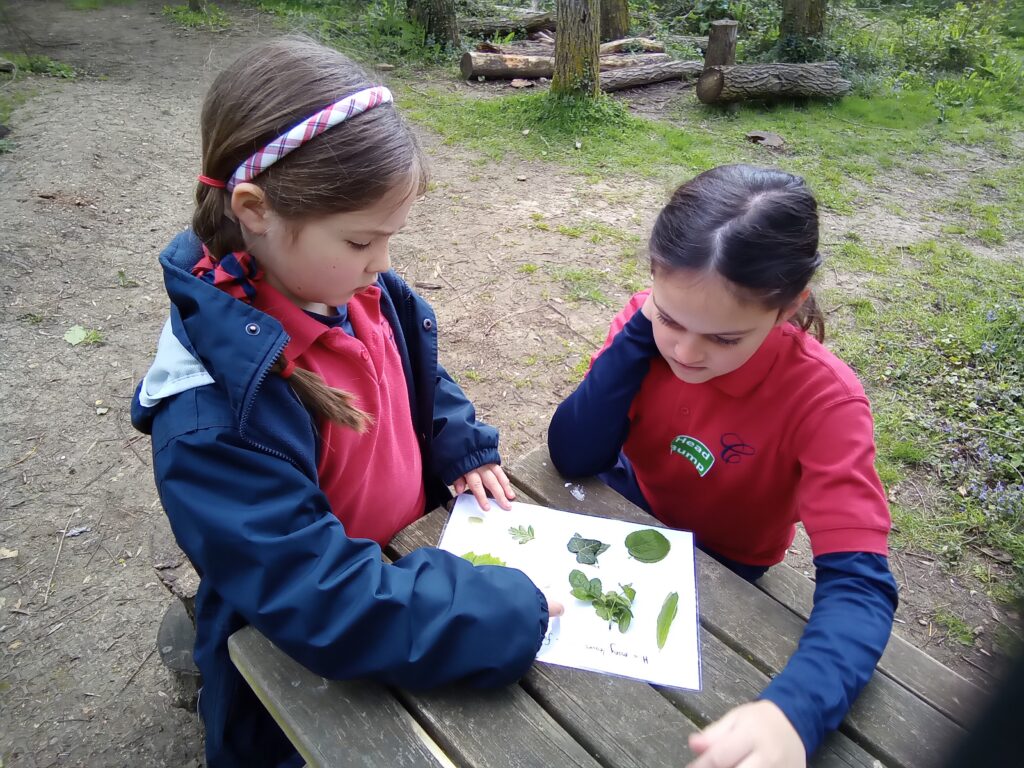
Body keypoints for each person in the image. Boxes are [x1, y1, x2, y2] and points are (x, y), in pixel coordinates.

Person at [131, 36, 560, 768]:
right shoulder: (211, 419)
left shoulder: (350, 290)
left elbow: (412, 373)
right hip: (300, 665)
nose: (384, 265)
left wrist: (455, 436)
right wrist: (502, 612)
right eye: (363, 238)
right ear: (255, 209)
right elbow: (319, 599)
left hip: (403, 570)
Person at [547, 164, 898, 768]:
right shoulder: (645, 324)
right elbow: (573, 453)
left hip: (727, 566)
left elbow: (861, 586)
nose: (685, 352)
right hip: (626, 511)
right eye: (669, 318)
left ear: (790, 308)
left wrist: (796, 710)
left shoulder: (826, 402)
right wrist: (638, 332)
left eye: (725, 339)